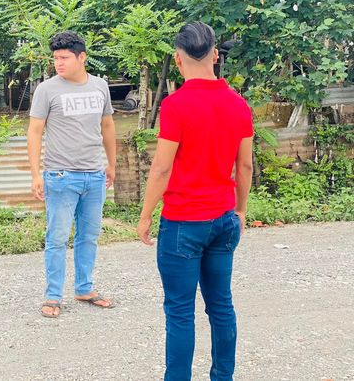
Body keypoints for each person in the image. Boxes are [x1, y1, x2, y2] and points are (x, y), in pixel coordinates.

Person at [136, 22, 253, 380]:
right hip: (223, 218)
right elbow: (245, 165)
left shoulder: (176, 105)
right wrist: (240, 210)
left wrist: (145, 216)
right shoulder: (238, 104)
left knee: (180, 312)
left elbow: (161, 168)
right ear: (215, 55)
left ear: (178, 59)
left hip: (183, 223)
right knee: (221, 306)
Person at [27, 31, 117, 318]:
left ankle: (84, 288)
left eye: (64, 57)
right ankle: (53, 295)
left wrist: (112, 164)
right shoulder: (47, 90)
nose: (59, 63)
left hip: (94, 174)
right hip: (60, 176)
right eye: (55, 58)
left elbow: (107, 126)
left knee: (89, 236)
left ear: (82, 57)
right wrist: (36, 174)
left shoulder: (100, 86)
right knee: (57, 238)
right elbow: (35, 132)